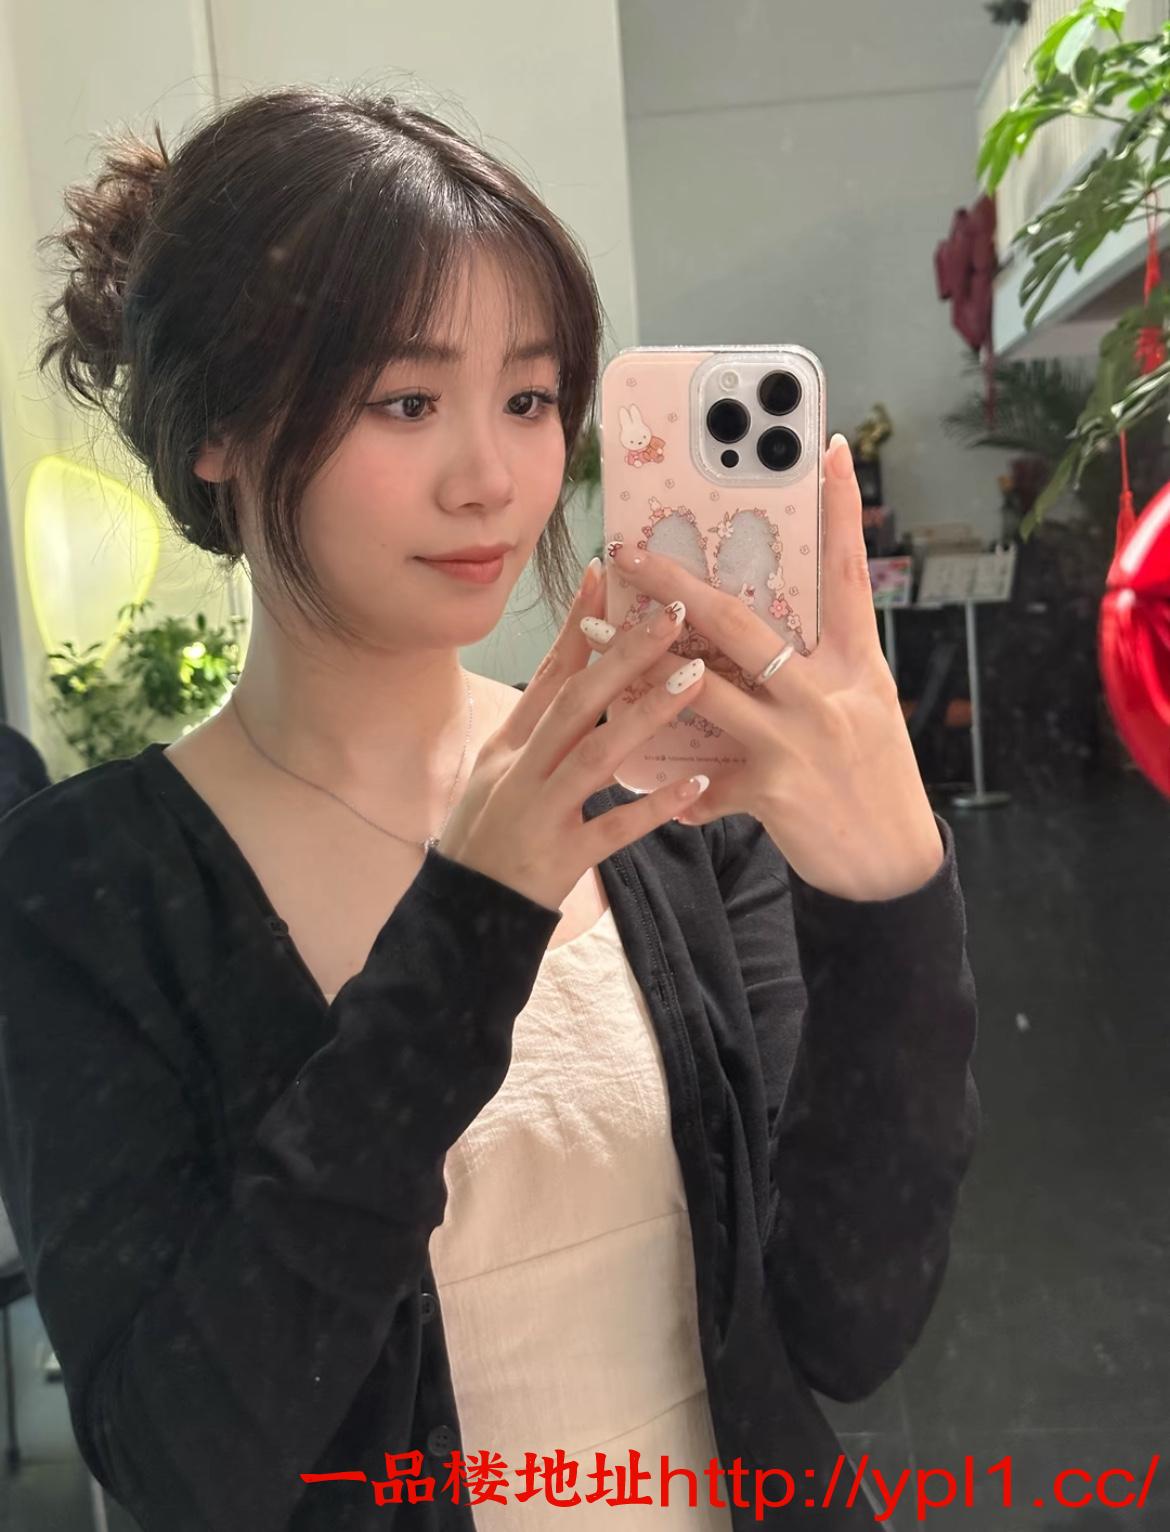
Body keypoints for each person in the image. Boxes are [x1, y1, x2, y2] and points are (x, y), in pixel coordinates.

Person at [0, 85, 980, 1531]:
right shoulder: (82, 889)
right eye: (405, 403)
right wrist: (473, 923)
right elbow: (185, 1466)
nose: (493, 481)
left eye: (528, 399)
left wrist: (892, 898)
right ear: (216, 427)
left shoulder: (667, 797)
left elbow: (846, 1324)